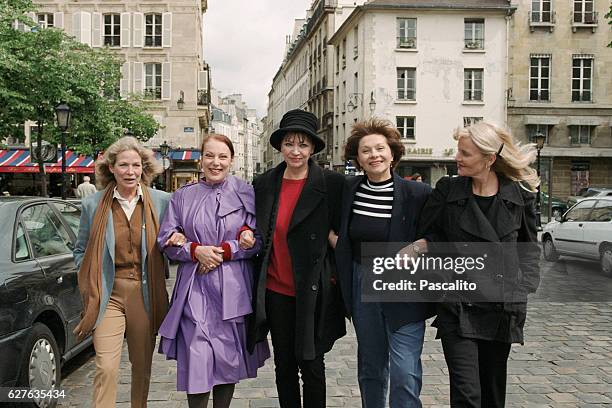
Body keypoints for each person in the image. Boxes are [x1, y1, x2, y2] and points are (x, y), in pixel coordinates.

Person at [415, 122, 541, 407]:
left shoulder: (520, 196)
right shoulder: (448, 190)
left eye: (465, 153)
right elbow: (430, 234)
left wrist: (522, 287)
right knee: (467, 392)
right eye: (458, 150)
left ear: (489, 159)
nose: (457, 157)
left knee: (492, 391)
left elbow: (529, 247)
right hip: (458, 307)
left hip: (501, 307)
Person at [156, 134, 270, 408]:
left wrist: (230, 249)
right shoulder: (182, 197)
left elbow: (258, 241)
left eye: (222, 157)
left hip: (232, 289)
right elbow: (166, 239)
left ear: (231, 160)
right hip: (195, 286)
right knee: (197, 354)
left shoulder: (246, 193)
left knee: (227, 357)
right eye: (209, 156)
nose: (215, 162)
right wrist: (195, 251)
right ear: (201, 158)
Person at [247, 109, 346, 408]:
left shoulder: (332, 184)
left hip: (313, 290)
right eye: (289, 143)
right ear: (280, 146)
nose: (295, 151)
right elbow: (256, 227)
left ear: (313, 148)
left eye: (303, 145)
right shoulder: (264, 184)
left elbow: (344, 234)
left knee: (312, 365)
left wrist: (332, 240)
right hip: (277, 290)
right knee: (284, 365)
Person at [333, 118, 434, 408]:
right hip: (362, 281)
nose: (374, 155)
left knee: (404, 370)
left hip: (406, 287)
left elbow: (436, 234)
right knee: (372, 367)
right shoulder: (348, 190)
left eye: (380, 148)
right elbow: (332, 225)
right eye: (366, 151)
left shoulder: (418, 194)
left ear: (393, 153)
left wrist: (419, 245)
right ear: (358, 158)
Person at [73, 136, 171, 407]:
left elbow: (173, 240)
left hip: (144, 292)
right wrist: (88, 281)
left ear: (144, 168)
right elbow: (80, 249)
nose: (130, 172)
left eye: (136, 165)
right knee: (106, 366)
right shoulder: (94, 204)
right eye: (124, 165)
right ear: (111, 168)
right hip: (108, 294)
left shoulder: (161, 201)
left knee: (142, 368)